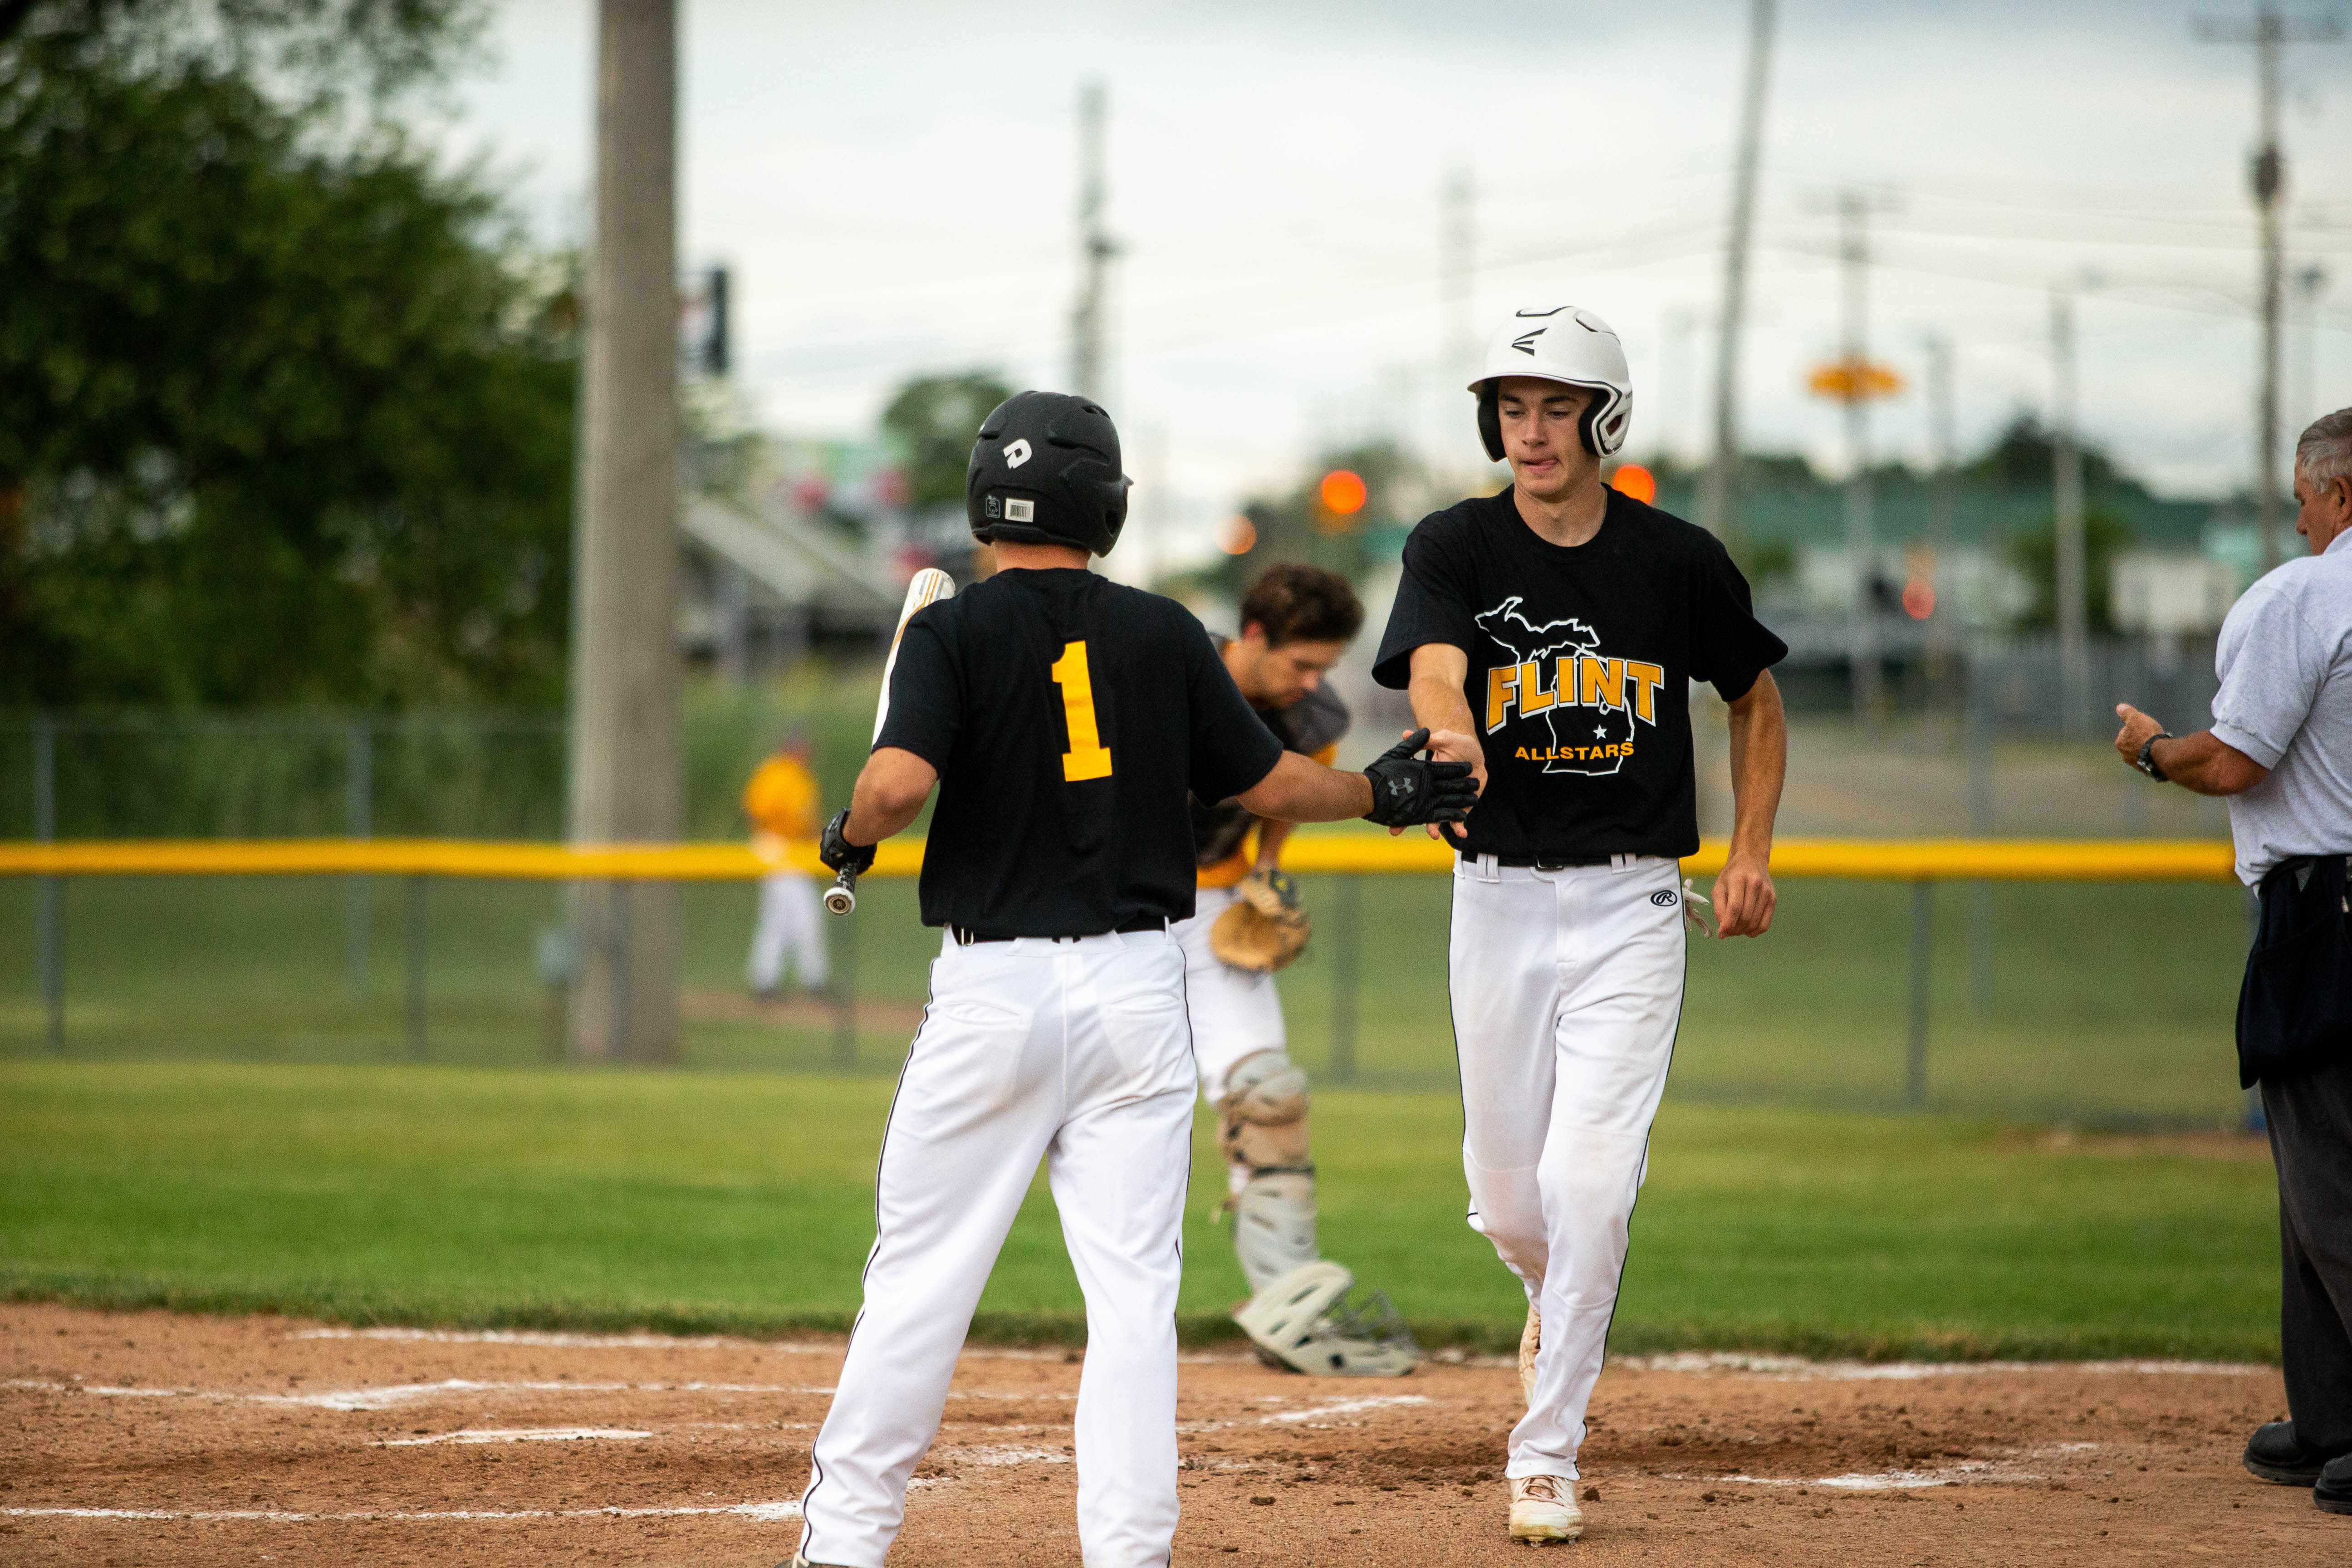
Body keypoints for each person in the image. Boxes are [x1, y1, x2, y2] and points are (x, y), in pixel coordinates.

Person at [789, 390, 1478, 1568]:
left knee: (919, 1290)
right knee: (1132, 1302)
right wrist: (1387, 793)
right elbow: (1271, 788)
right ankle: (1128, 1557)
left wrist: (848, 834)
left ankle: (843, 1550)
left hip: (995, 998)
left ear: (982, 502)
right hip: (1138, 997)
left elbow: (896, 790)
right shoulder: (1166, 633)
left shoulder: (951, 632)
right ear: (1104, 507)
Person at [1371, 305, 1789, 1545]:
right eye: (1511, 407)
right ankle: (1555, 1296)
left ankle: (1545, 1450)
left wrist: (1752, 849)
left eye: (1555, 406)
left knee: (1589, 1184)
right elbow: (1436, 664)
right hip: (1495, 899)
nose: (1530, 430)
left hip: (1629, 902)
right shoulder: (1455, 542)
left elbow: (1756, 701)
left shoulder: (1677, 560)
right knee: (1513, 1206)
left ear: (1605, 417)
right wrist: (1451, 728)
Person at [2112, 406, 2352, 1519]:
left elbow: (2238, 763)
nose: (2298, 512)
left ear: (2334, 493)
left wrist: (2152, 750)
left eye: (2305, 494)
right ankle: (2325, 1417)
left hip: (2326, 908)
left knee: (2328, 1175)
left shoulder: (2311, 593)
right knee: (2310, 1180)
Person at [1181, 562, 1419, 1376]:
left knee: (1269, 1096)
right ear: (1251, 637)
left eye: (1323, 664)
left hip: (1210, 910)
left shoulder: (1314, 712)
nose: (1314, 682)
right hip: (1106, 914)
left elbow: (1285, 799)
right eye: (1300, 663)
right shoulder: (1172, 674)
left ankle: (1285, 1308)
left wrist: (1264, 873)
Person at [743, 730, 827, 997]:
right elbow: (755, 811)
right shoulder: (775, 772)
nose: (807, 751)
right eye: (803, 746)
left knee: (789, 916)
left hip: (795, 851)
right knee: (795, 914)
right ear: (791, 747)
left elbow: (809, 823)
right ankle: (802, 979)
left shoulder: (803, 778)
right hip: (774, 845)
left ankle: (771, 979)